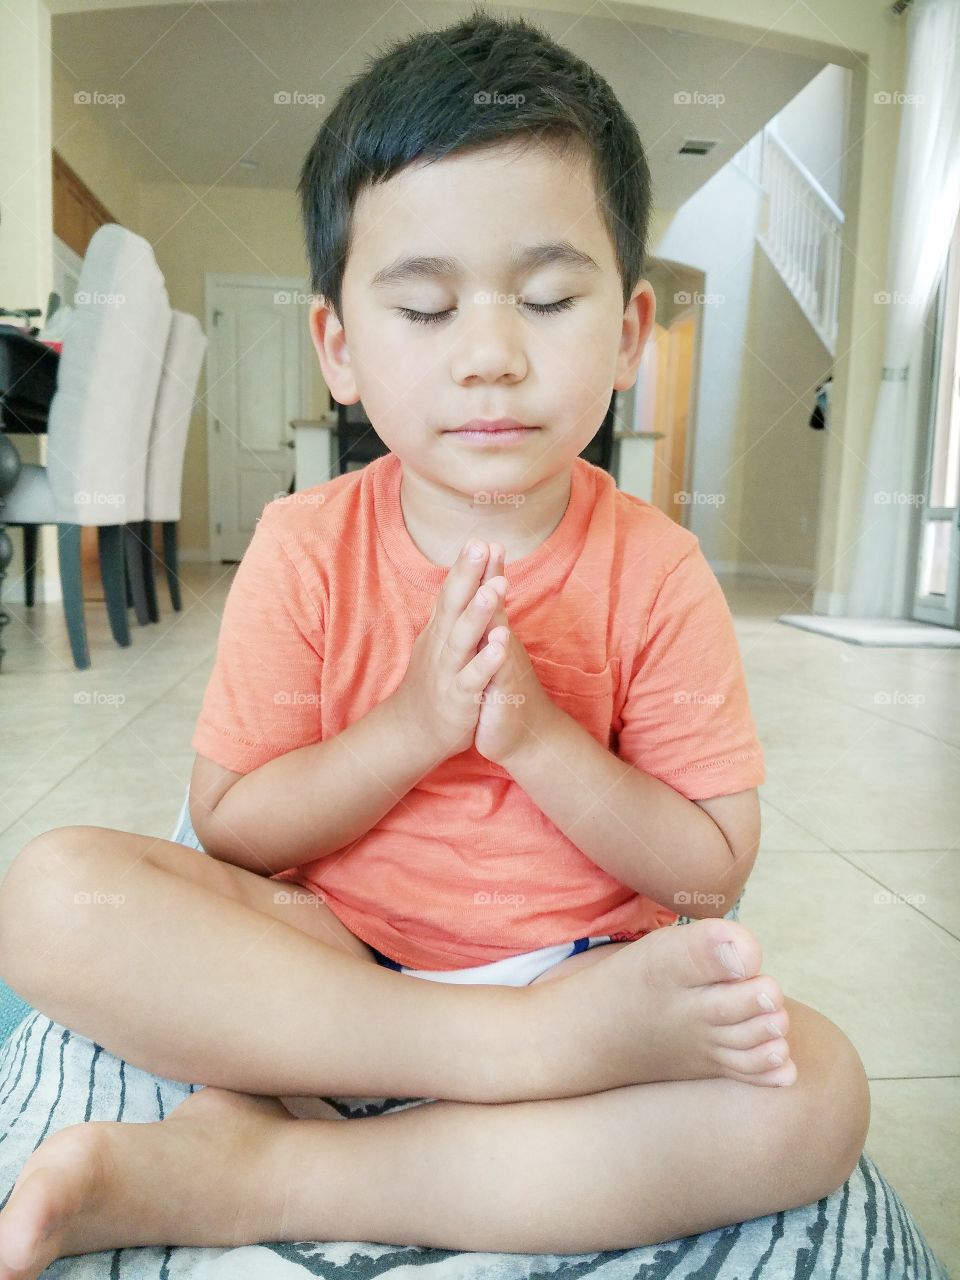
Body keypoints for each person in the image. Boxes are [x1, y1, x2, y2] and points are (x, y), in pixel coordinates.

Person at [0, 5, 869, 1268]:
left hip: (584, 983)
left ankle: (278, 1168)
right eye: (424, 310)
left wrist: (536, 737)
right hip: (330, 968)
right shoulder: (304, 544)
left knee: (821, 1096)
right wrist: (412, 728)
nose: (491, 357)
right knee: (48, 892)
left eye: (549, 296)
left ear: (626, 332)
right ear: (339, 346)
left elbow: (706, 875)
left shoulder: (660, 570)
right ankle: (482, 1063)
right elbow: (235, 826)